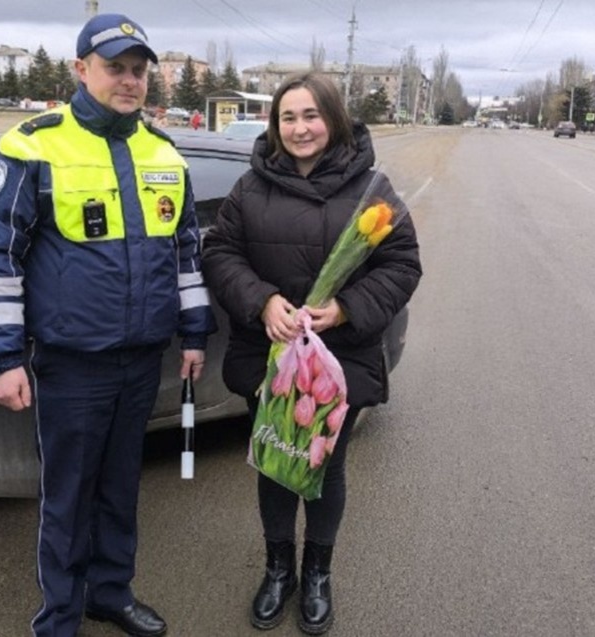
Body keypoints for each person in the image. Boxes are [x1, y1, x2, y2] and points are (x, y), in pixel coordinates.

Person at [0, 12, 215, 637]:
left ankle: (110, 593)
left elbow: (184, 253)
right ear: (81, 70)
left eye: (138, 71)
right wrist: (2, 358)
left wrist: (193, 334)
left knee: (120, 488)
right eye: (114, 68)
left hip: (142, 360)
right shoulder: (33, 145)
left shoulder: (163, 151)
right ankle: (59, 617)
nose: (129, 80)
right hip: (73, 364)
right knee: (69, 496)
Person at [202, 72, 422, 634]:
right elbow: (220, 253)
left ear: (334, 119)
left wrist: (346, 308)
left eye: (311, 115)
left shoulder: (373, 190)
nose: (300, 128)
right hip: (269, 357)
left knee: (326, 466)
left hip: (337, 363)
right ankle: (279, 569)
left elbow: (402, 265)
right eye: (288, 118)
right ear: (275, 126)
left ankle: (318, 573)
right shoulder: (250, 188)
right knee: (276, 462)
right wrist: (262, 301)